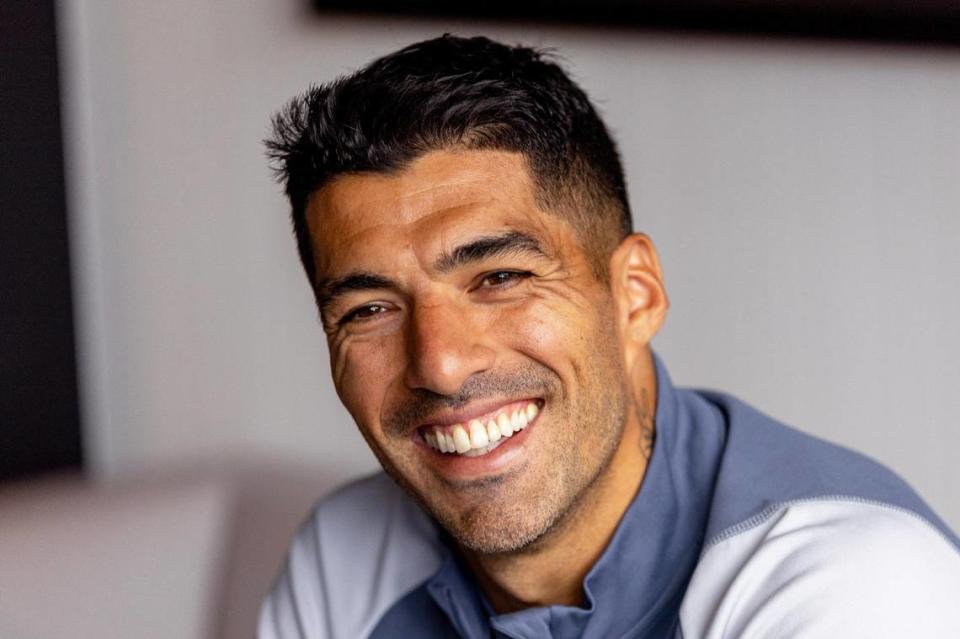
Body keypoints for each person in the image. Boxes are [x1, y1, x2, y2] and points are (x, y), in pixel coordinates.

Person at [257, 35, 960, 638]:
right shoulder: (345, 561)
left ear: (636, 294)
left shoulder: (850, 582)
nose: (438, 364)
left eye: (500, 277)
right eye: (369, 310)